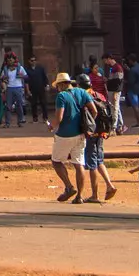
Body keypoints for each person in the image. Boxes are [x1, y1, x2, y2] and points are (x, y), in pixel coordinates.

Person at [48, 71, 95, 204]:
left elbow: (59, 117)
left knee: (56, 161)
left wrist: (52, 126)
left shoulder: (61, 96)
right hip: (80, 134)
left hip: (64, 134)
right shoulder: (82, 92)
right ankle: (79, 196)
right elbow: (94, 111)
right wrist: (88, 126)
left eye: (57, 85)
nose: (57, 88)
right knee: (79, 164)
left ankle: (69, 186)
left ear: (62, 85)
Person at [27, 56, 51, 123]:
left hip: (41, 88)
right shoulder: (27, 70)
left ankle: (45, 118)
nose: (33, 62)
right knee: (33, 104)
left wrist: (47, 85)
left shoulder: (40, 68)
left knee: (43, 103)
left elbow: (44, 77)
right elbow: (26, 81)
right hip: (32, 89)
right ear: (29, 61)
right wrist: (28, 90)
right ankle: (35, 118)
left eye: (34, 60)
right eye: (32, 60)